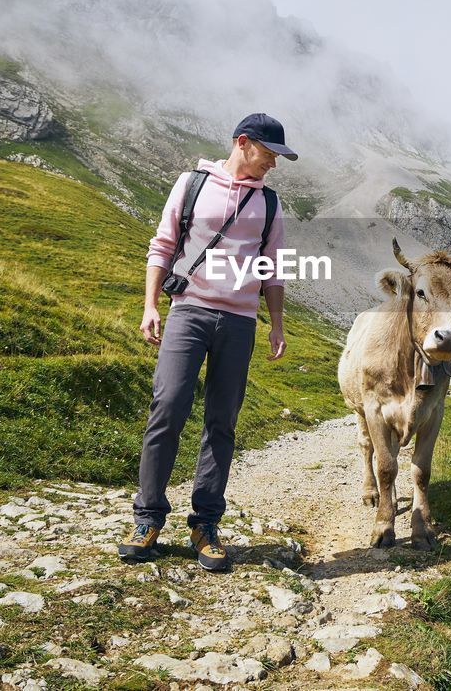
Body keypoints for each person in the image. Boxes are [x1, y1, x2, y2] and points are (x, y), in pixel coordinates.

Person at [118, 113, 297, 571]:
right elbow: (163, 244)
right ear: (244, 143)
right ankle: (148, 518)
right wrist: (151, 306)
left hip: (239, 322)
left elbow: (271, 269)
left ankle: (205, 524)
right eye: (270, 154)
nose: (274, 164)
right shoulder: (192, 184)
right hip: (189, 313)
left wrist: (275, 323)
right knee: (168, 407)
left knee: (222, 422)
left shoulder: (270, 205)